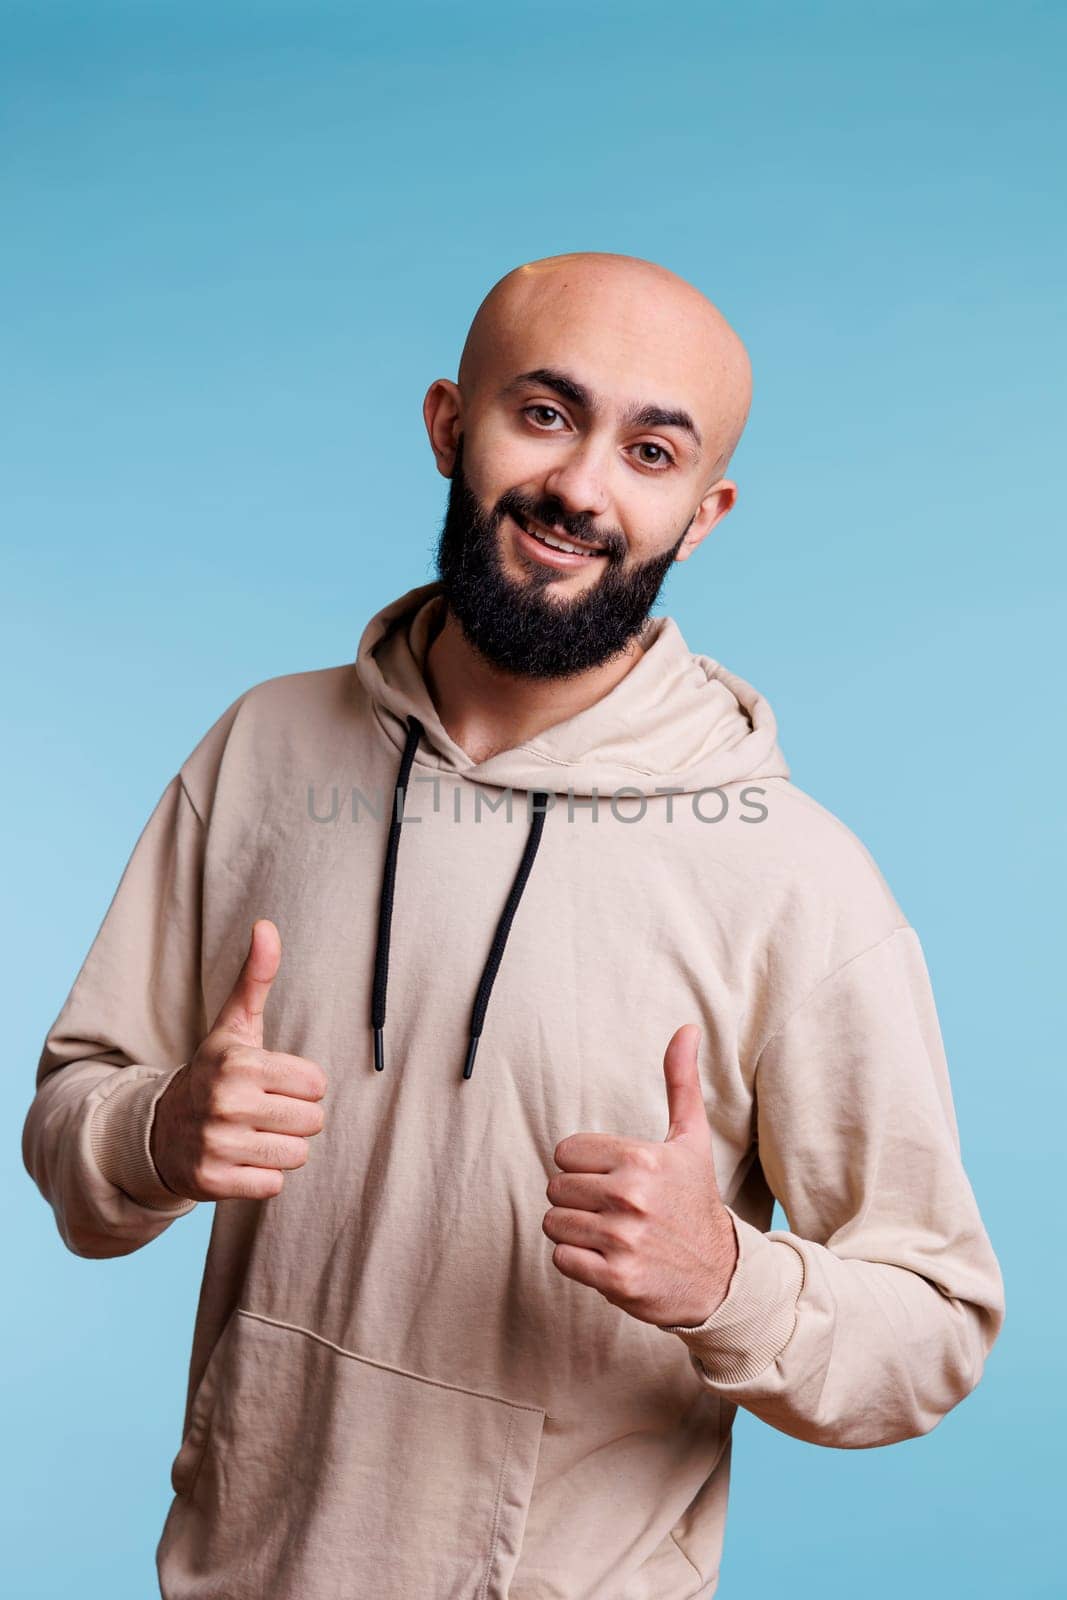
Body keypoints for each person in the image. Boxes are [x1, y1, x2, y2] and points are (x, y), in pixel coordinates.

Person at [22, 251, 1005, 1600]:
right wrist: (158, 1129)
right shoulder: (262, 750)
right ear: (449, 422)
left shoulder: (794, 877)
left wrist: (730, 1276)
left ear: (703, 511)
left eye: (650, 450)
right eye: (545, 414)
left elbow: (935, 1331)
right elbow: (74, 1119)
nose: (582, 489)